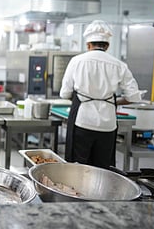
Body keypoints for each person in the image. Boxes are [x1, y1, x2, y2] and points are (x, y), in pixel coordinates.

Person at [59, 20, 142, 169]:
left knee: (77, 169)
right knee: (102, 171)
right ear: (107, 46)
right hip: (107, 125)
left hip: (82, 121)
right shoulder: (119, 65)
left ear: (88, 45)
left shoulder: (77, 61)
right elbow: (134, 97)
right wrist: (110, 100)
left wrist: (86, 97)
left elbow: (65, 93)